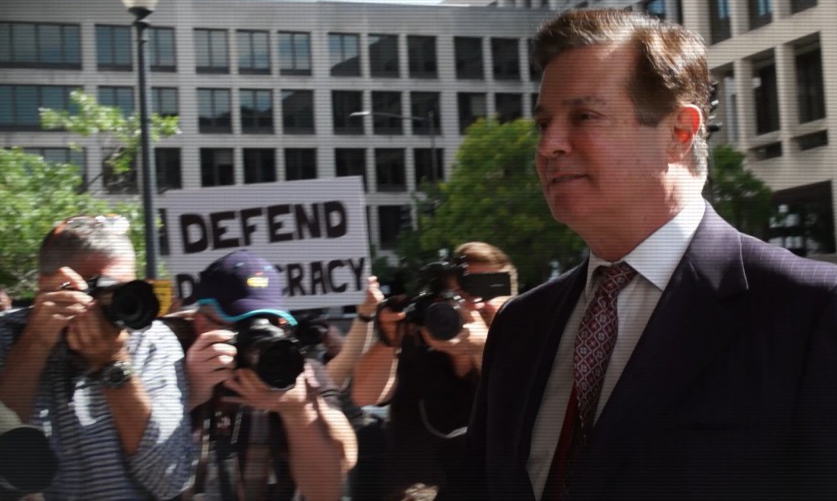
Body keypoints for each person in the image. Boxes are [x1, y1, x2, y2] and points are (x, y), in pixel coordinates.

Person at [439, 9, 837, 500]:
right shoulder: (521, 326)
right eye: (543, 123)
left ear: (679, 133)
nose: (549, 145)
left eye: (585, 117)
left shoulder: (814, 311)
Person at [0, 213, 195, 499]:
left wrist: (114, 363)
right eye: (100, 289)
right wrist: (35, 342)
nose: (118, 304)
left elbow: (169, 480)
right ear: (48, 285)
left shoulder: (151, 341)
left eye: (125, 289)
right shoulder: (6, 337)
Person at [181, 248, 358, 501]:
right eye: (243, 324)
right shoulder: (170, 364)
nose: (260, 337)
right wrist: (190, 393)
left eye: (272, 324)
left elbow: (327, 490)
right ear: (202, 324)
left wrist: (297, 411)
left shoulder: (297, 372)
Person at [350, 242, 517, 501]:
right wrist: (388, 339)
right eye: (463, 291)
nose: (474, 304)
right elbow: (364, 395)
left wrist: (482, 349)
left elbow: (519, 408)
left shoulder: (525, 348)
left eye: (487, 289)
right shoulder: (417, 337)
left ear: (511, 298)